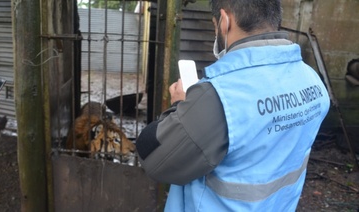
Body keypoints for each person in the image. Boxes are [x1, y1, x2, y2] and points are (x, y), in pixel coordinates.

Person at [136, 0, 331, 211]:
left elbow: (154, 158)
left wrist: (179, 106)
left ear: (224, 21)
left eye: (214, 24)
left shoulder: (219, 96)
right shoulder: (313, 81)